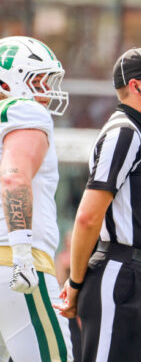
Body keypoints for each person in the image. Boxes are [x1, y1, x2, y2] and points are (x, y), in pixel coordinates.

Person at [55, 46, 141, 362]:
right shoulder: (124, 132)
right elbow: (88, 217)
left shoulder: (137, 133)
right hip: (119, 274)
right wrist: (75, 283)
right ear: (136, 86)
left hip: (136, 277)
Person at [0, 36, 73, 362]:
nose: (46, 89)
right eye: (38, 79)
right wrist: (22, 254)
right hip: (13, 262)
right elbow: (14, 177)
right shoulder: (24, 111)